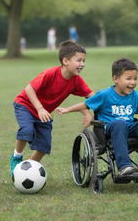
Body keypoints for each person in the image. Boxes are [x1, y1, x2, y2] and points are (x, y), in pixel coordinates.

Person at [56, 58, 138, 177]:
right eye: (128, 78)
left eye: (135, 78)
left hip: (129, 127)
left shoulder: (135, 96)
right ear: (116, 79)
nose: (133, 82)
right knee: (119, 123)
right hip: (108, 129)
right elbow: (86, 104)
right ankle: (125, 166)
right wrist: (67, 109)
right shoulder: (105, 95)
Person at [10, 40, 94, 175]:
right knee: (27, 130)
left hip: (43, 113)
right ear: (66, 61)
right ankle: (16, 157)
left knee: (44, 146)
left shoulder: (76, 80)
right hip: (25, 105)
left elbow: (93, 98)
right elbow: (29, 89)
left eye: (84, 61)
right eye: (79, 60)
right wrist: (40, 108)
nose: (82, 64)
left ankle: (28, 169)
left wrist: (87, 112)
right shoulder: (50, 73)